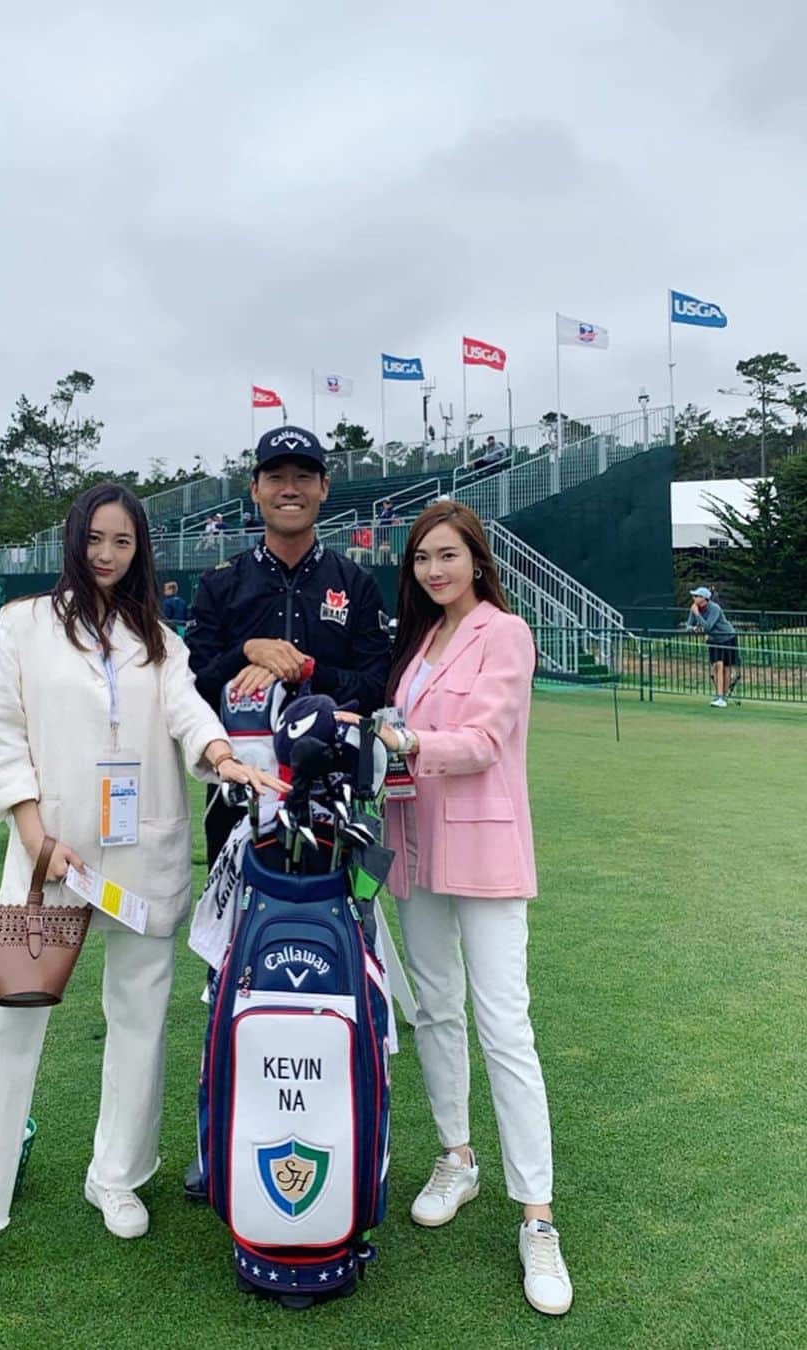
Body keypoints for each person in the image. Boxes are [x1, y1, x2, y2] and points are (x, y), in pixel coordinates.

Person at [0, 483, 281, 1310]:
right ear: (72, 540)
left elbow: (189, 710)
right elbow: (8, 737)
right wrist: (33, 836)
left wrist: (223, 755)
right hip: (51, 861)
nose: (105, 554)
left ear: (140, 551)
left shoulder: (157, 639)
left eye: (122, 542)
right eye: (95, 538)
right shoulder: (21, 624)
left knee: (140, 1020)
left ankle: (118, 1176)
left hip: (144, 859)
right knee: (6, 1024)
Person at [370, 499, 573, 1317]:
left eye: (447, 555)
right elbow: (400, 731)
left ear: (477, 560)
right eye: (422, 558)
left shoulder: (505, 633)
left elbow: (487, 739)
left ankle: (538, 1216)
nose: (434, 569)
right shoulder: (420, 642)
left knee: (505, 1026)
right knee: (436, 1013)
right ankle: (457, 1156)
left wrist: (412, 743)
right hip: (414, 849)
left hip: (484, 850)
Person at [182, 424, 391, 1200]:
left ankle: (349, 1123)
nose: (291, 486)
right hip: (240, 811)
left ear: (325, 490)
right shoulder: (224, 583)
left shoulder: (357, 583)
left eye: (306, 473)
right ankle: (220, 1136)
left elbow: (377, 679)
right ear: (256, 488)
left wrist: (306, 667)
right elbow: (191, 683)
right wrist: (244, 653)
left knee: (341, 963)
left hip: (338, 810)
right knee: (229, 969)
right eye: (277, 474)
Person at [686, 586, 739, 707]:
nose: (693, 598)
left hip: (728, 638)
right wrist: (693, 628)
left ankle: (722, 698)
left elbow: (708, 626)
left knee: (726, 667)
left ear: (703, 598)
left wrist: (697, 615)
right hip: (714, 640)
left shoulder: (714, 608)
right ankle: (719, 696)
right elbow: (688, 625)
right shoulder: (694, 609)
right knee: (717, 666)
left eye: (696, 596)